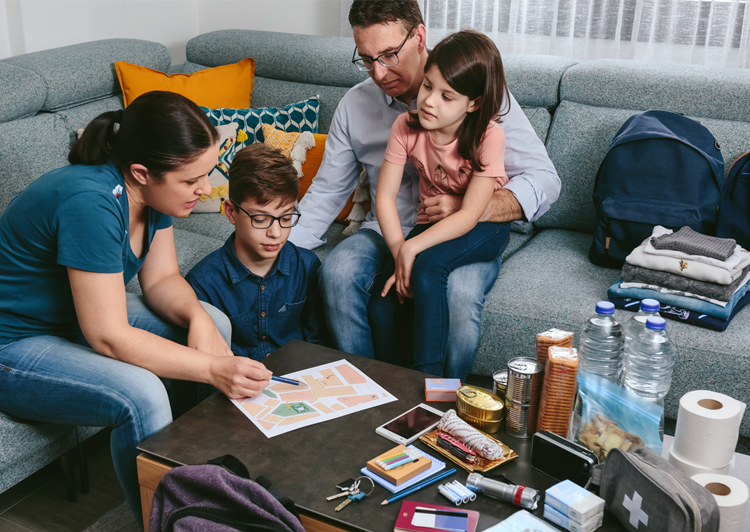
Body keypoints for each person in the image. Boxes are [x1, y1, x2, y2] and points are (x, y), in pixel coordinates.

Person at [0, 91, 272, 525]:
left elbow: (162, 280)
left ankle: (207, 479)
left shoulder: (150, 196)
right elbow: (108, 334)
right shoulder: (90, 202)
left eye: (207, 173)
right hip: (14, 343)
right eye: (191, 181)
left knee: (212, 319)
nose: (205, 189)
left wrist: (200, 319)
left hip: (71, 317)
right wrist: (212, 369)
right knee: (140, 394)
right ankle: (164, 520)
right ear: (142, 173)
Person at [289, 0, 560, 380]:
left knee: (458, 294)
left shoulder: (476, 93)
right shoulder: (356, 106)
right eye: (367, 59)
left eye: (388, 55)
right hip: (388, 229)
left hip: (462, 232)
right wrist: (271, 248)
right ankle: (371, 393)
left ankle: (441, 403)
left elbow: (545, 180)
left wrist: (468, 206)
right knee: (337, 272)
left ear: (419, 37)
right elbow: (327, 193)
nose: (379, 73)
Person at [373, 30, 511, 376]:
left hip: (483, 226)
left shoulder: (488, 135)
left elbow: (467, 217)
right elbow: (385, 197)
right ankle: (397, 382)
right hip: (431, 223)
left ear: (473, 103)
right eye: (428, 87)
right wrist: (398, 250)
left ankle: (430, 386)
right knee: (387, 296)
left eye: (447, 96)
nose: (430, 101)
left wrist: (412, 250)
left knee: (430, 269)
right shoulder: (406, 126)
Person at [186, 143, 327, 360]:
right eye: (261, 219)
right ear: (231, 212)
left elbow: (317, 344)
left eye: (286, 218)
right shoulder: (202, 283)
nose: (276, 232)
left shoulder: (307, 267)